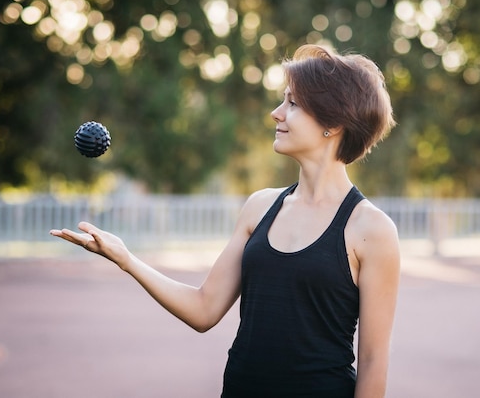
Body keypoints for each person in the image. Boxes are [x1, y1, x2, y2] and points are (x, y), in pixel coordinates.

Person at [50, 44, 401, 398]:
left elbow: (372, 362)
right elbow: (204, 309)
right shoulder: (259, 207)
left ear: (333, 123)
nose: (276, 113)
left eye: (293, 103)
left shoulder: (372, 230)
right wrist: (126, 259)